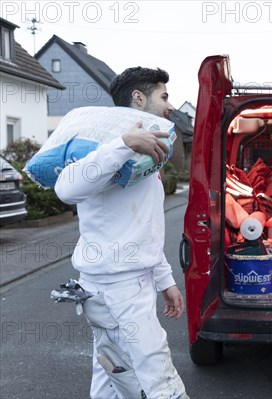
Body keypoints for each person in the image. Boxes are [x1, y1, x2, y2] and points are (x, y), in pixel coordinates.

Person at [55, 67, 188, 399]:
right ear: (139, 98)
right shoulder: (106, 147)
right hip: (119, 289)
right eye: (164, 96)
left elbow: (147, 228)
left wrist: (165, 281)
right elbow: (66, 188)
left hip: (118, 285)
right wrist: (124, 143)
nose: (171, 106)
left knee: (112, 373)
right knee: (160, 380)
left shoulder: (143, 160)